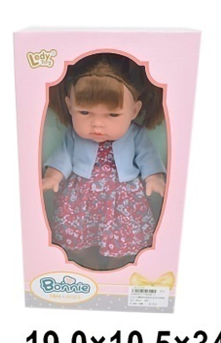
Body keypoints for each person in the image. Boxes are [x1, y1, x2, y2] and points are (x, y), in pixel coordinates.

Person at [42, 53, 166, 270]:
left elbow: (147, 157)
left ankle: (119, 264)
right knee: (78, 235)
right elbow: (63, 156)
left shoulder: (135, 135)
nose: (97, 124)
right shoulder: (74, 135)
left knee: (126, 235)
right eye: (85, 112)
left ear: (134, 111)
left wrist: (154, 177)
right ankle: (85, 261)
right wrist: (53, 176)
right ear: (70, 106)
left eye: (113, 115)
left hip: (122, 198)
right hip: (81, 199)